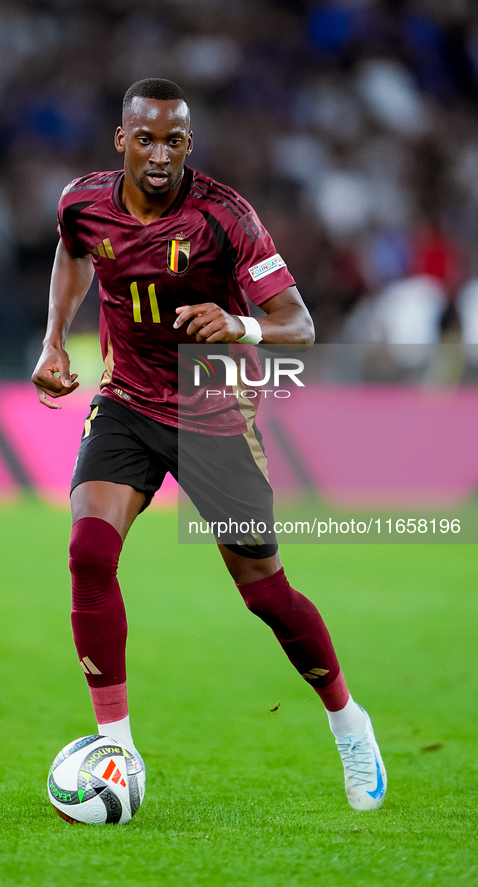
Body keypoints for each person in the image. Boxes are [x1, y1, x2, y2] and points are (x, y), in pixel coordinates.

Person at [32, 78, 386, 811]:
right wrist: (54, 341)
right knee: (87, 553)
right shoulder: (81, 202)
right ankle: (118, 747)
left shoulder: (224, 216)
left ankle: (347, 719)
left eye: (174, 141)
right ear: (121, 139)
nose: (159, 154)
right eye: (146, 138)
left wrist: (239, 325)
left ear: (188, 146)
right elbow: (72, 252)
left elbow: (299, 323)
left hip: (213, 413)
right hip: (125, 400)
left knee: (265, 592)